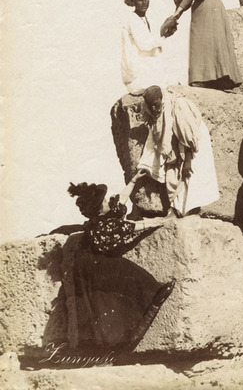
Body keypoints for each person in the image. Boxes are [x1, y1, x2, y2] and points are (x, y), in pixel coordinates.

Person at [65, 176, 174, 356]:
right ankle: (151, 298)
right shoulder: (103, 226)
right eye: (105, 201)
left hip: (93, 261)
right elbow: (131, 226)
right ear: (100, 209)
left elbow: (120, 201)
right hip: (91, 266)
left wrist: (134, 180)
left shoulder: (104, 216)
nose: (109, 201)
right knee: (124, 282)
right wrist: (160, 222)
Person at [136, 85, 220, 217]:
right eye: (150, 105)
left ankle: (189, 211)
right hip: (177, 145)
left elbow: (188, 134)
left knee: (190, 176)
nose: (153, 108)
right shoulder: (154, 111)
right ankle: (177, 210)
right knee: (173, 174)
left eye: (155, 104)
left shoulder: (178, 106)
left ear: (161, 98)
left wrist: (188, 160)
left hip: (193, 142)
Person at [120, 0, 167, 94]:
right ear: (134, 2)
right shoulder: (132, 19)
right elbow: (144, 45)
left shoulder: (144, 18)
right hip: (138, 72)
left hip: (147, 66)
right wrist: (163, 34)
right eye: (140, 0)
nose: (144, 3)